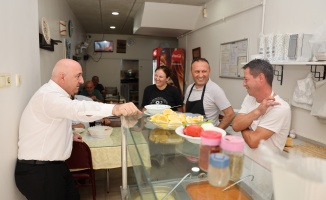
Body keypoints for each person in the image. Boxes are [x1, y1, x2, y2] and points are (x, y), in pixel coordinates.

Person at [15, 59, 141, 200]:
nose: (81, 80)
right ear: (62, 76)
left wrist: (68, 135)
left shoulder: (55, 95)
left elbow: (53, 123)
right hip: (40, 171)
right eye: (78, 76)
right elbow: (79, 109)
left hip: (53, 167)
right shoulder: (49, 96)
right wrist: (115, 109)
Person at [232, 59, 291, 168]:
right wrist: (257, 111)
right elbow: (235, 125)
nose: (243, 84)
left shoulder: (280, 108)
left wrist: (244, 125)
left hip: (263, 173)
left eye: (246, 79)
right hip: (245, 164)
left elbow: (253, 142)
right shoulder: (249, 98)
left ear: (261, 78)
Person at [183, 58, 235, 129]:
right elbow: (185, 106)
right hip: (189, 131)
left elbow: (230, 114)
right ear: (191, 72)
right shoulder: (189, 88)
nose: (200, 75)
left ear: (209, 71)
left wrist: (216, 132)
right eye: (197, 71)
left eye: (204, 71)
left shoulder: (215, 90)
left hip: (207, 135)